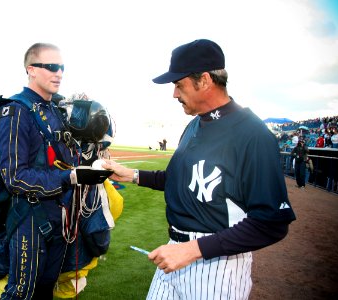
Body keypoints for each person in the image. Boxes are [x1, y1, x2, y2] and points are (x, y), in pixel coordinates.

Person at [103, 39, 296, 300]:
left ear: (204, 80)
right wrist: (133, 175)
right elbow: (178, 179)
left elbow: (272, 223)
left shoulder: (252, 134)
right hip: (175, 251)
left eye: (178, 85)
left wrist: (194, 249)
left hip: (219, 263)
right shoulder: (194, 126)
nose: (174, 94)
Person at [0, 43, 107, 299]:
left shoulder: (55, 110)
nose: (59, 73)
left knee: (45, 291)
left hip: (60, 216)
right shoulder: (14, 112)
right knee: (21, 294)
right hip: (29, 219)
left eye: (62, 67)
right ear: (31, 69)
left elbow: (70, 153)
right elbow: (15, 178)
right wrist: (71, 177)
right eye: (51, 67)